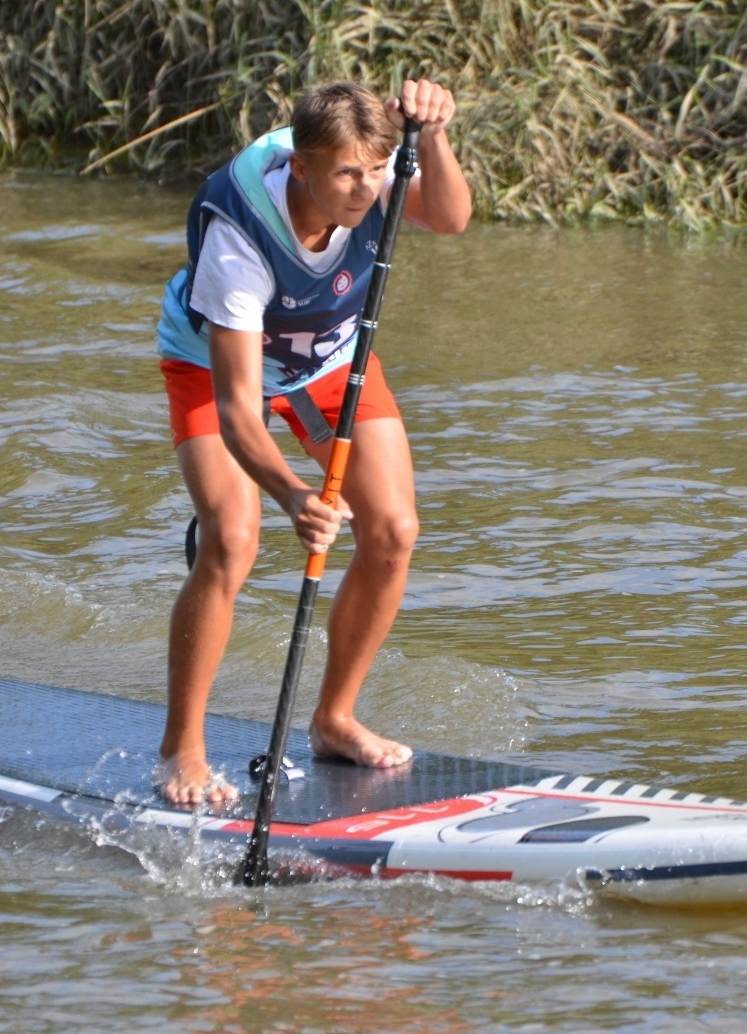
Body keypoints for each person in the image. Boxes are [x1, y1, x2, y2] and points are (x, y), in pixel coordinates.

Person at [153, 80, 472, 807]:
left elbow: (450, 219)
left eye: (374, 173)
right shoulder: (239, 239)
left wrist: (437, 135)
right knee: (233, 537)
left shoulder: (372, 173)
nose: (365, 192)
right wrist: (293, 495)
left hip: (326, 359)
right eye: (346, 176)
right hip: (217, 366)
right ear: (301, 169)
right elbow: (239, 411)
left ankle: (333, 720)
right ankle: (182, 749)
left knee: (392, 532)